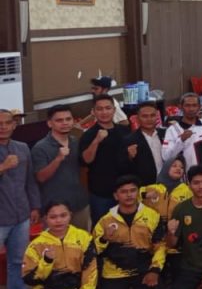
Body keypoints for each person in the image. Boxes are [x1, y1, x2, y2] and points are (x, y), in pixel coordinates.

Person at [92, 175, 167, 289]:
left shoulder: (152, 216)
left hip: (143, 269)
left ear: (138, 193)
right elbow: (94, 250)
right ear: (116, 196)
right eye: (124, 191)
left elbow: (160, 246)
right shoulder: (105, 220)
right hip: (115, 272)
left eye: (133, 191)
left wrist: (154, 270)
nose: (129, 195)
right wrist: (104, 239)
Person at [0, 108, 41, 289]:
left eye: (7, 123)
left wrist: (35, 206)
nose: (3, 127)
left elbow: (30, 180)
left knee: (17, 260)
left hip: (21, 213)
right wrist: (3, 167)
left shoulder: (23, 147)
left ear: (14, 125)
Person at [32, 104, 89, 231]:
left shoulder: (75, 141)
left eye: (68, 119)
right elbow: (40, 177)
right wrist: (58, 159)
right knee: (55, 243)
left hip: (79, 204)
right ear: (49, 123)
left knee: (82, 241)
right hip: (54, 210)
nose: (65, 123)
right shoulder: (40, 147)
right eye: (59, 120)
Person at [79, 94, 132, 223]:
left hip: (125, 190)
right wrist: (96, 141)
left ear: (114, 110)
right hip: (101, 193)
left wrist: (131, 155)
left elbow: (129, 159)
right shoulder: (89, 135)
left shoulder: (124, 131)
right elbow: (86, 160)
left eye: (108, 108)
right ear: (93, 112)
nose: (104, 112)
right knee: (102, 229)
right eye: (100, 109)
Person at [140, 156, 191, 283]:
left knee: (179, 278)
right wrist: (145, 195)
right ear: (166, 168)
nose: (178, 169)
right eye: (174, 165)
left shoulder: (187, 190)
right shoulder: (152, 188)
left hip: (176, 242)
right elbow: (130, 198)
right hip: (153, 242)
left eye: (182, 167)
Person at [161, 92, 202, 185]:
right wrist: (181, 141)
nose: (191, 109)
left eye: (194, 105)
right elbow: (166, 157)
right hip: (185, 181)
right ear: (180, 107)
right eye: (187, 105)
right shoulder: (172, 130)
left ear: (199, 107)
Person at [119, 102, 166, 186]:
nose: (149, 119)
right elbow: (123, 169)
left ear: (157, 116)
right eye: (145, 116)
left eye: (152, 115)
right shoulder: (129, 140)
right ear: (137, 118)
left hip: (168, 184)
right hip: (145, 187)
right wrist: (129, 157)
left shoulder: (166, 134)